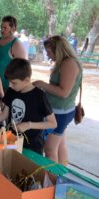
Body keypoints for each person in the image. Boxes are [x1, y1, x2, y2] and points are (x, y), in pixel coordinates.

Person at [0, 58, 57, 155]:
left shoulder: (39, 96)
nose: (10, 85)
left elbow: (53, 123)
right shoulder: (12, 91)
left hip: (31, 146)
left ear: (26, 80)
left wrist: (29, 125)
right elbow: (4, 115)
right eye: (9, 82)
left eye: (14, 83)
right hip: (11, 140)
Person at [33, 35, 83, 164]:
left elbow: (64, 92)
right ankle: (60, 176)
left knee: (49, 150)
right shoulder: (64, 62)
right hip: (59, 111)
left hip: (60, 113)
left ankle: (52, 179)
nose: (48, 55)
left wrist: (42, 84)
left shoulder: (69, 63)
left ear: (58, 50)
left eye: (49, 52)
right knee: (60, 146)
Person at [0, 16, 26, 91]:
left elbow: (22, 69)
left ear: (13, 29)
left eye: (5, 28)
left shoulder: (16, 44)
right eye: (1, 27)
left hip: (6, 87)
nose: (2, 30)